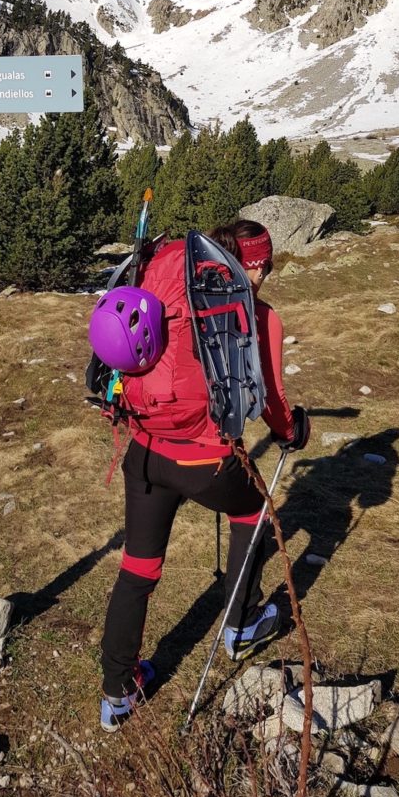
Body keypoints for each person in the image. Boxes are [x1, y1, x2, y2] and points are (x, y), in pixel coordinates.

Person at [99, 219, 310, 731]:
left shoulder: (166, 287)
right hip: (204, 462)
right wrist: (291, 431)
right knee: (253, 510)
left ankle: (117, 694)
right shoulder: (251, 313)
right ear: (255, 264)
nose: (264, 275)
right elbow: (272, 402)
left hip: (145, 452)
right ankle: (239, 624)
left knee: (138, 570)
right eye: (266, 265)